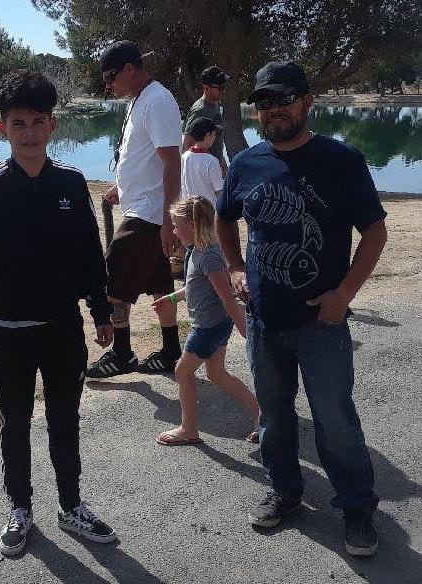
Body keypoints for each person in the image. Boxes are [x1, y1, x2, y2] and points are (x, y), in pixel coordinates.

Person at [215, 60, 387, 556]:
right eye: (264, 102)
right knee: (273, 414)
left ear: (307, 101)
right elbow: (225, 219)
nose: (274, 110)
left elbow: (374, 231)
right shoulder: (247, 164)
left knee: (334, 419)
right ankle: (285, 492)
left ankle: (357, 508)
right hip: (265, 320)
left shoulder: (340, 160)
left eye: (284, 99)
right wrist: (236, 268)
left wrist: (345, 295)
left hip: (321, 322)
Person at [0, 70, 117, 556]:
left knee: (65, 419)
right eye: (18, 123)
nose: (28, 132)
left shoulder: (70, 182)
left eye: (38, 122)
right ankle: (20, 508)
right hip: (8, 332)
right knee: (15, 423)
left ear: (52, 125)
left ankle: (71, 505)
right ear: (2, 128)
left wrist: (102, 310)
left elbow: (90, 253)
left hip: (64, 327)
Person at [87, 40, 183, 378]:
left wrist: (170, 218)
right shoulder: (141, 100)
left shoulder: (157, 101)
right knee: (160, 285)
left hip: (148, 215)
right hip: (144, 208)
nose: (109, 85)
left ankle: (122, 352)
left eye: (111, 77)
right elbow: (144, 158)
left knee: (111, 281)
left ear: (130, 68)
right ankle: (172, 349)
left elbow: (172, 163)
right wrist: (121, 188)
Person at [153, 197, 259, 446]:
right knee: (216, 373)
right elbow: (193, 287)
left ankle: (188, 429)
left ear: (192, 224)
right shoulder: (196, 250)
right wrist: (171, 298)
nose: (174, 231)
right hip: (215, 323)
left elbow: (227, 298)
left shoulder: (209, 256)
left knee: (182, 371)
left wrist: (245, 329)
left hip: (208, 327)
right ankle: (262, 412)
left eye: (177, 226)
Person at [182, 66, 230, 176]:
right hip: (205, 175)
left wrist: (223, 166)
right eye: (220, 88)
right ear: (206, 88)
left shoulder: (214, 105)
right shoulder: (200, 110)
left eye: (225, 86)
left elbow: (215, 141)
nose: (223, 91)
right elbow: (187, 145)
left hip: (215, 169)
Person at [181, 117, 224, 207]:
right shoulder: (211, 161)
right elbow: (219, 190)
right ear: (207, 135)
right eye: (214, 134)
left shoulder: (185, 157)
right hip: (209, 210)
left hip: (190, 209)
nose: (215, 137)